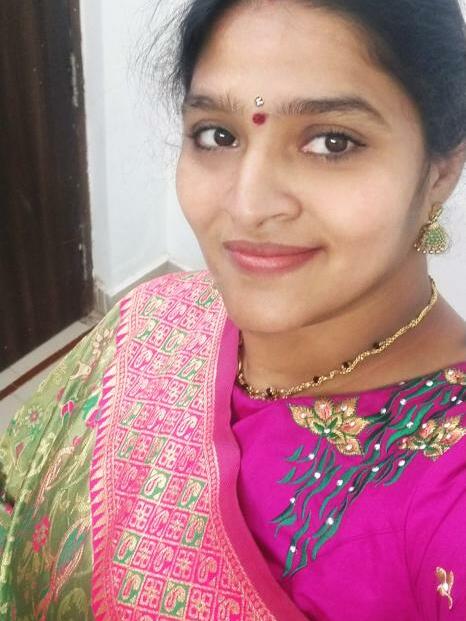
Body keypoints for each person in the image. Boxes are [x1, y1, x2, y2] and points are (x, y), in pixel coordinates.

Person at [1, 0, 466, 619]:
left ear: (440, 172)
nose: (247, 206)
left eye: (332, 142)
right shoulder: (155, 317)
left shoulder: (446, 491)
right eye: (218, 135)